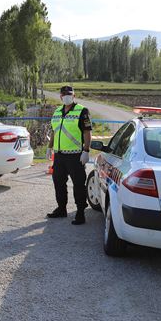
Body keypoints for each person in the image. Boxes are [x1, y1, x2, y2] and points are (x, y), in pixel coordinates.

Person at [46, 85, 92, 225]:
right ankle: (61, 209)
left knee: (78, 184)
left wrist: (86, 150)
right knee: (58, 183)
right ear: (60, 96)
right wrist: (49, 147)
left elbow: (87, 132)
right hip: (59, 156)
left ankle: (80, 212)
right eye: (64, 94)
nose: (67, 96)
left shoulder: (82, 111)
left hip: (75, 156)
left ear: (74, 95)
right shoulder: (57, 111)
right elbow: (54, 131)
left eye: (69, 94)